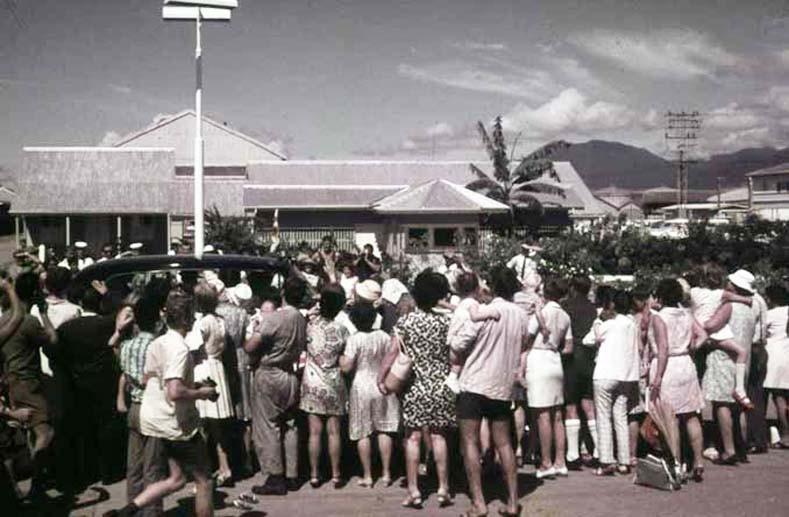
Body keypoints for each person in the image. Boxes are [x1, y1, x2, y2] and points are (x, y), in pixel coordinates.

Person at [103, 289, 218, 517]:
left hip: (155, 420)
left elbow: (151, 379)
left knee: (176, 479)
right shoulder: (180, 349)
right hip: (176, 424)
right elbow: (174, 391)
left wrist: (191, 385)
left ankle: (126, 511)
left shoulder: (159, 343)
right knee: (204, 480)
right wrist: (203, 392)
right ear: (188, 317)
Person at [451, 266, 529, 517]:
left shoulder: (485, 311)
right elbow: (525, 342)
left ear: (492, 286)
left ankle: (479, 502)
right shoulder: (520, 315)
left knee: (470, 443)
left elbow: (459, 344)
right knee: (504, 442)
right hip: (502, 384)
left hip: (474, 382)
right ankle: (513, 500)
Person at [379, 270, 455, 509]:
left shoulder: (407, 321)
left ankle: (414, 490)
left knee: (412, 437)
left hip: (414, 386)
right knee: (438, 435)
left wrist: (381, 377)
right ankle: (443, 487)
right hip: (441, 385)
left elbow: (393, 352)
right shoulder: (446, 322)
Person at [52, 283, 123, 490]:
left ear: (81, 304)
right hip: (105, 382)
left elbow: (55, 351)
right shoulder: (106, 324)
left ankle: (89, 471)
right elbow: (122, 310)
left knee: (86, 429)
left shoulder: (67, 328)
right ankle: (111, 471)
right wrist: (108, 293)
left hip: (80, 384)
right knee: (107, 428)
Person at [244, 277, 307, 495]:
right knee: (289, 424)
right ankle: (291, 474)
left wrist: (254, 333)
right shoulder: (300, 318)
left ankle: (274, 475)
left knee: (268, 425)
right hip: (289, 373)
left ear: (283, 292)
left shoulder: (276, 318)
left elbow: (251, 345)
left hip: (270, 373)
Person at [1, 272, 57, 499]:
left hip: (13, 383)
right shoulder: (29, 322)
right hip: (28, 384)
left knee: (31, 434)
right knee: (46, 433)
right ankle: (32, 482)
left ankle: (33, 481)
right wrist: (43, 312)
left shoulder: (4, 318)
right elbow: (52, 339)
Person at [649, 279, 708, 481]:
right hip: (686, 364)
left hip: (669, 366)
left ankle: (676, 463)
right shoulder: (687, 314)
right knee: (691, 415)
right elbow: (703, 335)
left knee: (670, 417)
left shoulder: (659, 317)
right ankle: (698, 461)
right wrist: (692, 348)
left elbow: (663, 348)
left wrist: (657, 377)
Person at [702, 270, 760, 465]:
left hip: (724, 356)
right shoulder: (753, 307)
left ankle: (729, 449)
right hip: (744, 358)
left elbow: (712, 326)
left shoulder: (729, 305)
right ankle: (741, 446)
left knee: (722, 403)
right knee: (738, 405)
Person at [339, 304, 400, 487]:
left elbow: (347, 366)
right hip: (382, 384)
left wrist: (340, 358)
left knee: (363, 432)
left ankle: (367, 475)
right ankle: (387, 473)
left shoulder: (355, 339)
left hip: (361, 385)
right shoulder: (383, 336)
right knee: (384, 429)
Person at [116, 296, 166, 517]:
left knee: (134, 465)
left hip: (135, 405)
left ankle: (133, 509)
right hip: (153, 406)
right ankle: (152, 511)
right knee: (153, 466)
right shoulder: (158, 346)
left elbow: (126, 375)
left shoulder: (126, 346)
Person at [300, 284, 350, 488]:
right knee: (334, 431)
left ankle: (314, 474)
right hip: (334, 380)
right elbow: (345, 357)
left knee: (314, 432)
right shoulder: (342, 330)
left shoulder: (310, 325)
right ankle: (336, 474)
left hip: (312, 379)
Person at [586, 290, 640, 476]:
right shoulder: (632, 324)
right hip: (626, 375)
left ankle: (606, 460)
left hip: (605, 374)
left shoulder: (609, 323)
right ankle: (624, 461)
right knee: (621, 418)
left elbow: (590, 339)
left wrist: (598, 320)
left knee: (603, 418)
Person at [523, 278, 573, 478]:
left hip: (538, 358)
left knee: (542, 414)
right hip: (555, 360)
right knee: (557, 414)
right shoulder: (565, 316)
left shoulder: (542, 313)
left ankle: (546, 462)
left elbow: (526, 336)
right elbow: (568, 347)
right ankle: (560, 461)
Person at [689, 265, 753, 408]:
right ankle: (740, 389)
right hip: (712, 332)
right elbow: (745, 300)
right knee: (741, 351)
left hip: (697, 327)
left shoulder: (693, 292)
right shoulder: (722, 294)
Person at [189, 283, 235, 486]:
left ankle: (203, 473)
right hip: (218, 366)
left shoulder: (202, 323)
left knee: (202, 426)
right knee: (217, 426)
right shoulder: (220, 321)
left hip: (204, 367)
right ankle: (225, 468)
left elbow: (192, 347)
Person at [561, 274, 599, 468]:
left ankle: (573, 454)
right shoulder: (593, 309)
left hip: (571, 358)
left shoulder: (566, 306)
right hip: (589, 358)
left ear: (573, 288)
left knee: (571, 405)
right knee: (588, 403)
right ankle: (599, 450)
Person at [444, 272, 502, 394]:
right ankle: (452, 379)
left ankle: (453, 378)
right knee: (460, 361)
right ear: (476, 289)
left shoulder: (461, 303)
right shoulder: (472, 303)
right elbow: (475, 316)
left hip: (452, 337)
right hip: (459, 340)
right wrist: (490, 313)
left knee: (457, 362)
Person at [762, 284, 789, 448]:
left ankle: (785, 434)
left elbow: (761, 333)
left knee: (778, 397)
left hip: (775, 356)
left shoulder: (770, 314)